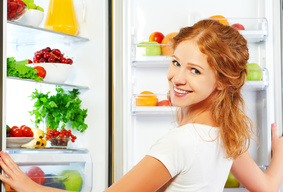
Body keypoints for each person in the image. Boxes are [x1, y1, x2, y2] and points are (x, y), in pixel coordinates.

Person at [0, 19, 283, 192]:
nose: (177, 78)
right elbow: (268, 187)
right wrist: (280, 150)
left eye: (195, 71)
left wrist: (30, 187)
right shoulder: (225, 134)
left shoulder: (181, 142)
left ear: (221, 82)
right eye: (176, 63)